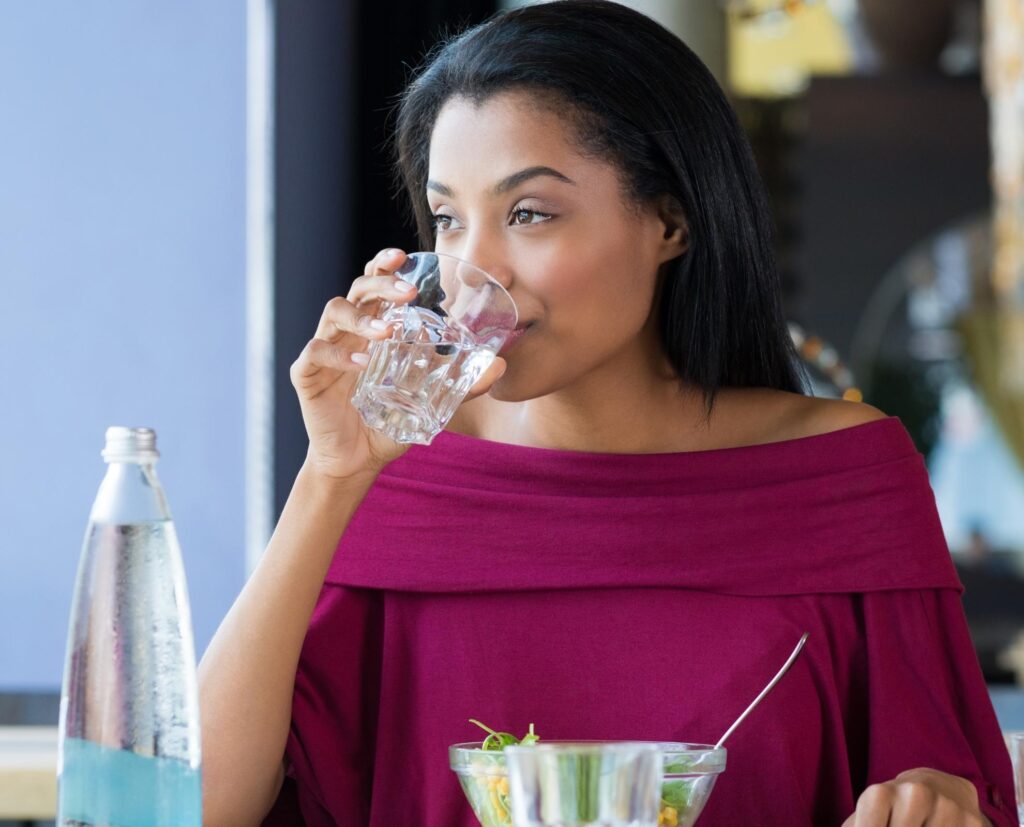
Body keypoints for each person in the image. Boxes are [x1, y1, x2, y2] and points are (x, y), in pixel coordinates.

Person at [198, 2, 1016, 825]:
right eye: (448, 219)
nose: (471, 271)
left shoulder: (844, 478)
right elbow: (190, 806)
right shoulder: (389, 478)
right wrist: (330, 475)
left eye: (528, 214)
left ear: (670, 218)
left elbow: (943, 792)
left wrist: (936, 805)